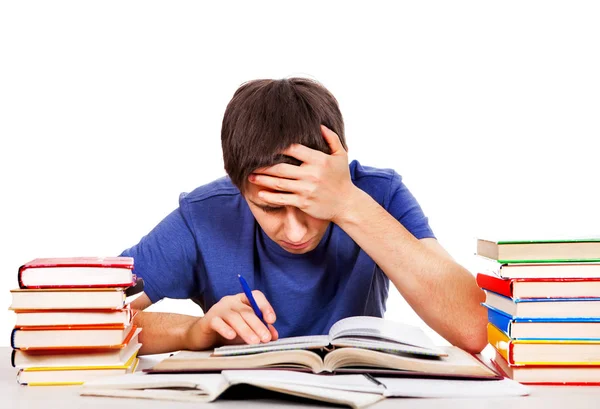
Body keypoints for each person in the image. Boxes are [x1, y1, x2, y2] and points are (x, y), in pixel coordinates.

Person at [122, 78, 487, 355]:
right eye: (270, 207)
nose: (295, 232)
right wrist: (192, 332)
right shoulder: (205, 214)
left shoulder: (376, 194)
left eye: (312, 205)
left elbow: (473, 329)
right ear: (239, 186)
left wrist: (347, 204)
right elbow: (88, 317)